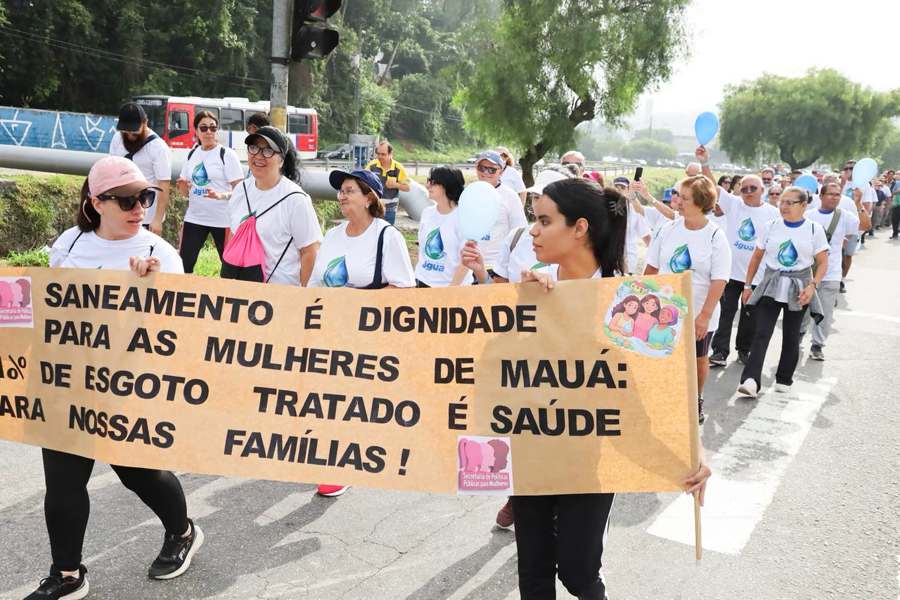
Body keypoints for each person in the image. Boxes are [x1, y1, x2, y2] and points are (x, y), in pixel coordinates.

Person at [468, 178, 711, 599]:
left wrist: (691, 456)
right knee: (534, 575)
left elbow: (658, 394)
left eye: (545, 221)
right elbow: (491, 366)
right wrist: (521, 308)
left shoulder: (633, 302)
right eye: (533, 220)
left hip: (589, 460)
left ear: (579, 228)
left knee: (579, 573)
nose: (534, 231)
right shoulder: (531, 287)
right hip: (531, 451)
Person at [28, 156, 202, 600]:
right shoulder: (68, 244)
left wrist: (152, 291)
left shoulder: (158, 254)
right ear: (97, 202)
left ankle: (182, 532)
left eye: (145, 196)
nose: (138, 207)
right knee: (63, 481)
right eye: (126, 199)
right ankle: (66, 573)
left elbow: (178, 330)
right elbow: (52, 311)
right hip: (68, 383)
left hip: (127, 386)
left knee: (138, 473)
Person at [308, 168, 415, 497]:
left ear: (370, 197)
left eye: (350, 189)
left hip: (367, 334)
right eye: (340, 190)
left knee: (349, 399)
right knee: (327, 397)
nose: (341, 195)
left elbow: (404, 291)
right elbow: (316, 280)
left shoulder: (387, 236)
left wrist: (357, 301)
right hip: (330, 330)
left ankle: (344, 464)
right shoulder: (335, 234)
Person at [645, 175, 730, 424]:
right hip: (663, 308)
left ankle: (696, 399)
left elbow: (719, 280)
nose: (677, 201)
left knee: (697, 358)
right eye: (677, 195)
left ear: (701, 202)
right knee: (661, 355)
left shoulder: (715, 236)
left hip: (699, 309)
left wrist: (703, 316)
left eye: (684, 198)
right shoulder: (666, 229)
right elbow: (651, 267)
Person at [736, 186, 828, 398]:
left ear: (804, 205)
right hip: (771, 284)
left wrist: (812, 285)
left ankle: (784, 378)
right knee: (761, 332)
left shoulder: (814, 229)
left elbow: (823, 262)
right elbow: (756, 257)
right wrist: (747, 286)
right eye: (782, 202)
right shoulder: (771, 226)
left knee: (791, 334)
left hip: (799, 287)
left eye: (790, 202)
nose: (783, 206)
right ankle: (750, 380)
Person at [698, 146, 780, 368]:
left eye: (753, 188)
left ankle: (744, 349)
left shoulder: (773, 213)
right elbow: (711, 185)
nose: (749, 191)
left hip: (755, 276)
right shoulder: (734, 204)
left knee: (749, 315)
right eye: (744, 188)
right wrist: (705, 162)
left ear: (763, 189)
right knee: (725, 312)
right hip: (729, 272)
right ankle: (720, 351)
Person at [227, 126, 322, 286]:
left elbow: (310, 251)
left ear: (282, 160)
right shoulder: (240, 190)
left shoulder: (296, 200)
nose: (258, 155)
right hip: (240, 293)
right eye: (254, 148)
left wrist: (304, 297)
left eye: (268, 150)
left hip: (278, 296)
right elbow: (233, 235)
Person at [176, 110, 243, 273]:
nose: (208, 132)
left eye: (213, 128)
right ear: (196, 131)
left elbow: (241, 191)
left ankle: (230, 295)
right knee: (183, 265)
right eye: (204, 128)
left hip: (223, 220)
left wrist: (221, 196)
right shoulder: (192, 154)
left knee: (230, 267)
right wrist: (183, 186)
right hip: (195, 218)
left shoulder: (226, 155)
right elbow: (185, 193)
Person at [801, 181, 860, 360]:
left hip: (831, 273)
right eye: (831, 194)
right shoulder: (808, 215)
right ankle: (797, 337)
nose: (834, 197)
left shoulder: (846, 217)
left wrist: (859, 202)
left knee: (825, 312)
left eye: (837, 194)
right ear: (821, 196)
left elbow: (862, 228)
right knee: (801, 309)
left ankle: (817, 345)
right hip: (806, 272)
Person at [108, 102, 172, 235]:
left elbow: (164, 185)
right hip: (121, 211)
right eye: (126, 131)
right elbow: (112, 170)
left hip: (146, 215)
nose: (130, 135)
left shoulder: (158, 147)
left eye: (134, 131)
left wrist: (158, 220)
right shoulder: (117, 139)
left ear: (145, 122)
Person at [471, 150, 529, 277]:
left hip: (495, 267)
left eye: (492, 169)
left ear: (501, 172)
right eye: (482, 168)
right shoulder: (468, 192)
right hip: (467, 265)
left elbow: (520, 232)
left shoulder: (510, 196)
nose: (486, 172)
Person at [414, 166, 470, 287]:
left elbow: (467, 261)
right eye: (428, 181)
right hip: (423, 282)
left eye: (433, 182)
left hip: (452, 288)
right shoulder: (427, 213)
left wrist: (450, 290)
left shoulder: (464, 218)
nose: (427, 185)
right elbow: (422, 250)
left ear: (447, 185)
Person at [839, 160, 876, 290]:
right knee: (835, 253)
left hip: (853, 225)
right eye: (846, 168)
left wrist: (860, 226)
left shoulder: (864, 186)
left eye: (851, 168)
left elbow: (867, 207)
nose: (848, 170)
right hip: (837, 222)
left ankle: (841, 279)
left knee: (847, 254)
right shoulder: (839, 184)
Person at [612, 176, 651, 275]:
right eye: (616, 187)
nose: (619, 190)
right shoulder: (606, 208)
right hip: (609, 260)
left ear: (629, 190)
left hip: (629, 261)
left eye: (622, 187)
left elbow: (646, 236)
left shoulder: (635, 211)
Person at [365, 141, 410, 225]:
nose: (380, 156)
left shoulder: (398, 168)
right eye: (378, 154)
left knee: (387, 233)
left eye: (383, 154)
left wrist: (395, 185)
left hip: (390, 209)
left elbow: (407, 187)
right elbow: (363, 182)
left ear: (390, 153)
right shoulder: (371, 166)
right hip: (374, 207)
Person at [891, 172, 900, 239]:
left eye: (898, 174)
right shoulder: (896, 183)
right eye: (896, 174)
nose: (896, 175)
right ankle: (895, 234)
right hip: (896, 204)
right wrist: (898, 191)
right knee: (895, 220)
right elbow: (892, 193)